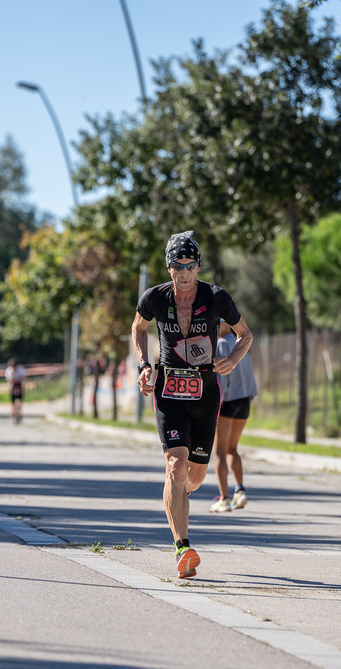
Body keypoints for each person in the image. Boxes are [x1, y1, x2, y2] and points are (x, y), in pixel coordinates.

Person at [131, 231, 253, 579]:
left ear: (198, 266)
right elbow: (138, 328)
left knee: (194, 478)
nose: (184, 273)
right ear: (168, 268)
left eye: (190, 266)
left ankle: (178, 497)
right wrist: (143, 366)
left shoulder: (217, 297)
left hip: (206, 392)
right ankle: (182, 547)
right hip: (169, 390)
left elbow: (246, 334)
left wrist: (233, 359)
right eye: (177, 266)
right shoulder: (154, 297)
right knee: (175, 465)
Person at [211, 321, 257, 512]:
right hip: (244, 401)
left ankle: (225, 499)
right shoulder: (241, 343)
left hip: (228, 402)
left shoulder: (222, 344)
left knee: (220, 451)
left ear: (227, 325)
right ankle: (240, 491)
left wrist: (213, 409)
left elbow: (222, 379)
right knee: (232, 449)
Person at [5, 358, 27, 423]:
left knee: (19, 399)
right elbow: (8, 380)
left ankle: (19, 412)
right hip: (12, 386)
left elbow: (24, 377)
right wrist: (12, 376)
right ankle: (13, 413)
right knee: (12, 400)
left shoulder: (21, 369)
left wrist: (19, 378)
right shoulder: (9, 370)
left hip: (19, 385)